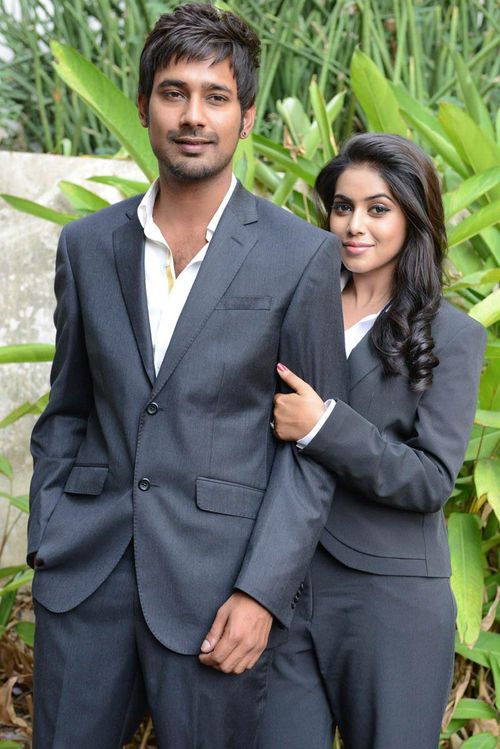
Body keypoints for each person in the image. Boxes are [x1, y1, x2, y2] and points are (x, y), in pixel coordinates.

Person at [27, 4, 348, 747]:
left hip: (219, 595)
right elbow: (67, 409)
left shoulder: (300, 256)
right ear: (144, 107)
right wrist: (49, 536)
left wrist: (260, 592)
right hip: (84, 581)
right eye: (174, 93)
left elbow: (312, 451)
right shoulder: (86, 245)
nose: (193, 115)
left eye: (216, 96)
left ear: (247, 117)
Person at [259, 133, 487, 749]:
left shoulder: (453, 336)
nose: (354, 225)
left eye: (377, 209)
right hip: (280, 588)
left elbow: (431, 479)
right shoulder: (292, 311)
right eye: (343, 207)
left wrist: (323, 427)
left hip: (390, 600)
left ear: (413, 218)